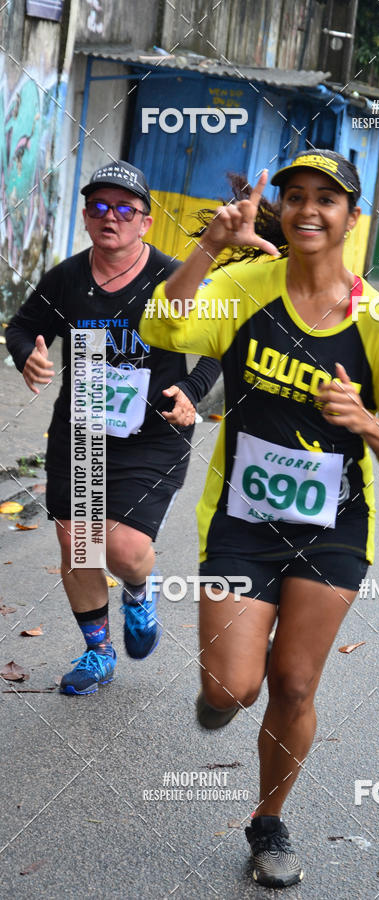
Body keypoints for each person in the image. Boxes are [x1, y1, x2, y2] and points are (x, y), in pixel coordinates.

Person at [140, 149, 379, 888]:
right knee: (233, 688)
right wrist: (209, 245)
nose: (307, 209)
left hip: (333, 530)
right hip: (242, 520)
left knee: (296, 685)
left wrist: (368, 422)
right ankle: (218, 695)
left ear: (351, 218)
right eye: (295, 195)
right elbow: (163, 328)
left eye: (326, 199)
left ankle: (267, 821)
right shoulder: (244, 287)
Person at [6, 160, 220, 695]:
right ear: (86, 216)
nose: (112, 217)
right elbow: (24, 327)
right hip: (81, 431)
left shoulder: (173, 278)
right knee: (77, 543)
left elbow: (222, 349)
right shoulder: (67, 278)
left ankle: (140, 592)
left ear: (145, 223)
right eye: (100, 207)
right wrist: (25, 359)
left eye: (126, 208)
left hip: (152, 436)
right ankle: (98, 652)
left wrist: (191, 394)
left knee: (123, 551)